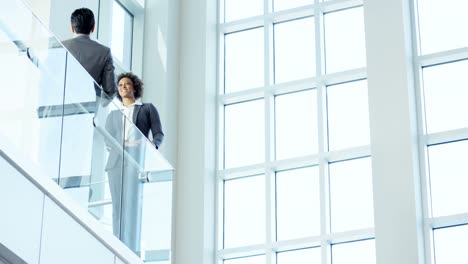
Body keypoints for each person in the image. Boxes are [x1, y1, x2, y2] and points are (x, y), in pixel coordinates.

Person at [104, 72, 164, 254]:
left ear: (134, 87)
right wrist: (125, 144)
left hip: (135, 162)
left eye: (127, 84)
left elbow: (158, 134)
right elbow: (108, 139)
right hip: (115, 163)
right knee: (117, 206)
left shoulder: (147, 109)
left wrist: (151, 145)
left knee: (132, 203)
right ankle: (117, 245)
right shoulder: (113, 114)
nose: (123, 87)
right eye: (120, 85)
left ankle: (132, 247)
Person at [62, 7, 116, 102]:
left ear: (72, 27)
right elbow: (110, 90)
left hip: (58, 103)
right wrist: (100, 105)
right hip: (88, 108)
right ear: (93, 27)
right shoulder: (104, 52)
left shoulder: (60, 46)